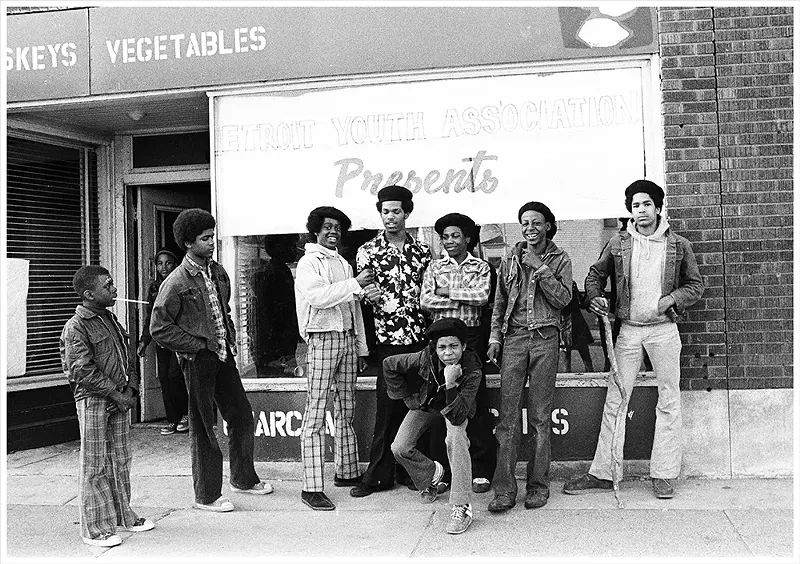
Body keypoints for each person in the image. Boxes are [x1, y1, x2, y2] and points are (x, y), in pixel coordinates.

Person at [563, 179, 704, 499]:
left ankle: (664, 474)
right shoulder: (619, 243)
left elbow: (695, 286)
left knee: (669, 399)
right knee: (616, 398)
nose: (641, 210)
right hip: (628, 330)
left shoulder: (678, 245)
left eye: (646, 204)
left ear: (658, 207)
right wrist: (595, 297)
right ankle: (604, 471)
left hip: (664, 330)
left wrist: (671, 299)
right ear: (631, 210)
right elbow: (594, 276)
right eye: (635, 205)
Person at [150, 208, 272, 513]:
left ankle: (243, 478)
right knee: (204, 427)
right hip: (197, 361)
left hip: (223, 355)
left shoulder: (217, 271)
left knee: (242, 416)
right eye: (205, 238)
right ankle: (206, 495)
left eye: (212, 236)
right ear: (189, 243)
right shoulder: (175, 281)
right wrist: (196, 345)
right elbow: (159, 328)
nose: (212, 242)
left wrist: (227, 338)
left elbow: (223, 310)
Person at [60, 265, 155, 547]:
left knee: (120, 460)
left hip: (118, 398)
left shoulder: (110, 319)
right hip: (94, 401)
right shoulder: (76, 327)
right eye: (108, 285)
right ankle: (95, 529)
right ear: (89, 294)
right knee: (95, 464)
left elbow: (127, 356)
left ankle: (123, 515)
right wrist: (116, 393)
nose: (114, 289)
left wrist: (132, 387)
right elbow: (81, 371)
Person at [487, 201, 573, 513]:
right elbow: (499, 300)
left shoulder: (560, 258)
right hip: (514, 339)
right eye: (525, 223)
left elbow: (564, 299)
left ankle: (538, 487)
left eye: (536, 222)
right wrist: (495, 336)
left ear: (548, 225)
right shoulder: (510, 256)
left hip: (545, 339)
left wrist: (540, 267)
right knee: (507, 418)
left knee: (539, 417)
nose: (530, 228)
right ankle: (505, 490)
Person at [350, 185, 432, 497]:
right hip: (387, 341)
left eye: (396, 211)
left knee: (419, 407)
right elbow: (363, 292)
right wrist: (367, 294)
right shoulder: (368, 251)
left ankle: (413, 472)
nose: (390, 217)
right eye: (385, 212)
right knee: (387, 409)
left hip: (418, 338)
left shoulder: (423, 251)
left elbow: (430, 291)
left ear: (407, 213)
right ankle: (377, 476)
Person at [294, 206, 375, 510]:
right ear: (315, 229)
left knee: (346, 408)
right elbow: (318, 297)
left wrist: (361, 347)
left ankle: (348, 471)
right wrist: (356, 286)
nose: (333, 232)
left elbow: (351, 307)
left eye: (338, 228)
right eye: (327, 227)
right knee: (316, 414)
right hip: (322, 337)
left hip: (347, 339)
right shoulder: (308, 262)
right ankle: (311, 487)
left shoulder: (342, 262)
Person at [420, 212, 497, 494]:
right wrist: (459, 291)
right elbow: (426, 300)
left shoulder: (481, 267)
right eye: (445, 237)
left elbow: (482, 297)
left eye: (455, 236)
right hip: (441, 340)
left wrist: (446, 290)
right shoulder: (434, 266)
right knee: (442, 400)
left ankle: (479, 469)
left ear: (467, 238)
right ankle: (443, 472)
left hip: (471, 338)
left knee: (473, 402)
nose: (449, 241)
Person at [386, 318, 481, 534]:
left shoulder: (473, 369)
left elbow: (457, 416)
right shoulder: (424, 356)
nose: (448, 352)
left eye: (454, 346)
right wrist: (406, 398)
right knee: (399, 447)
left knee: (455, 438)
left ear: (464, 346)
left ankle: (461, 505)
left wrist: (450, 383)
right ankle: (432, 473)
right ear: (434, 348)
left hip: (456, 410)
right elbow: (389, 365)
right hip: (428, 405)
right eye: (442, 347)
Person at [138, 249, 189, 435]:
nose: (163, 267)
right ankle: (172, 419)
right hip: (162, 342)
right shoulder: (154, 288)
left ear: (175, 264)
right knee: (165, 380)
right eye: (160, 263)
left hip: (178, 339)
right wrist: (145, 340)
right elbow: (151, 317)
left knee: (176, 376)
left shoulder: (180, 282)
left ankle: (185, 415)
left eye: (168, 263)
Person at [251, 234, 301, 376]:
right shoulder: (270, 274)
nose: (295, 250)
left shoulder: (281, 271)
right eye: (291, 246)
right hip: (274, 348)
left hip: (282, 346)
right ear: (281, 248)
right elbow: (267, 316)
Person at [560, 281, 595, 373]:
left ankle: (566, 376)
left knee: (566, 351)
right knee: (584, 351)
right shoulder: (572, 284)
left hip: (566, 320)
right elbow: (581, 303)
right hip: (575, 320)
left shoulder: (563, 284)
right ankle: (589, 373)